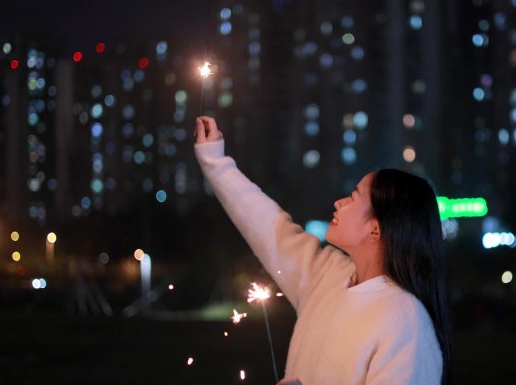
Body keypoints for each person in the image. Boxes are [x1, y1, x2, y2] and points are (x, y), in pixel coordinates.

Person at [194, 116, 452, 385]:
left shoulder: (405, 324)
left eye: (353, 197)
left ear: (375, 229)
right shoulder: (328, 275)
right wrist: (215, 161)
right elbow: (269, 227)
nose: (339, 203)